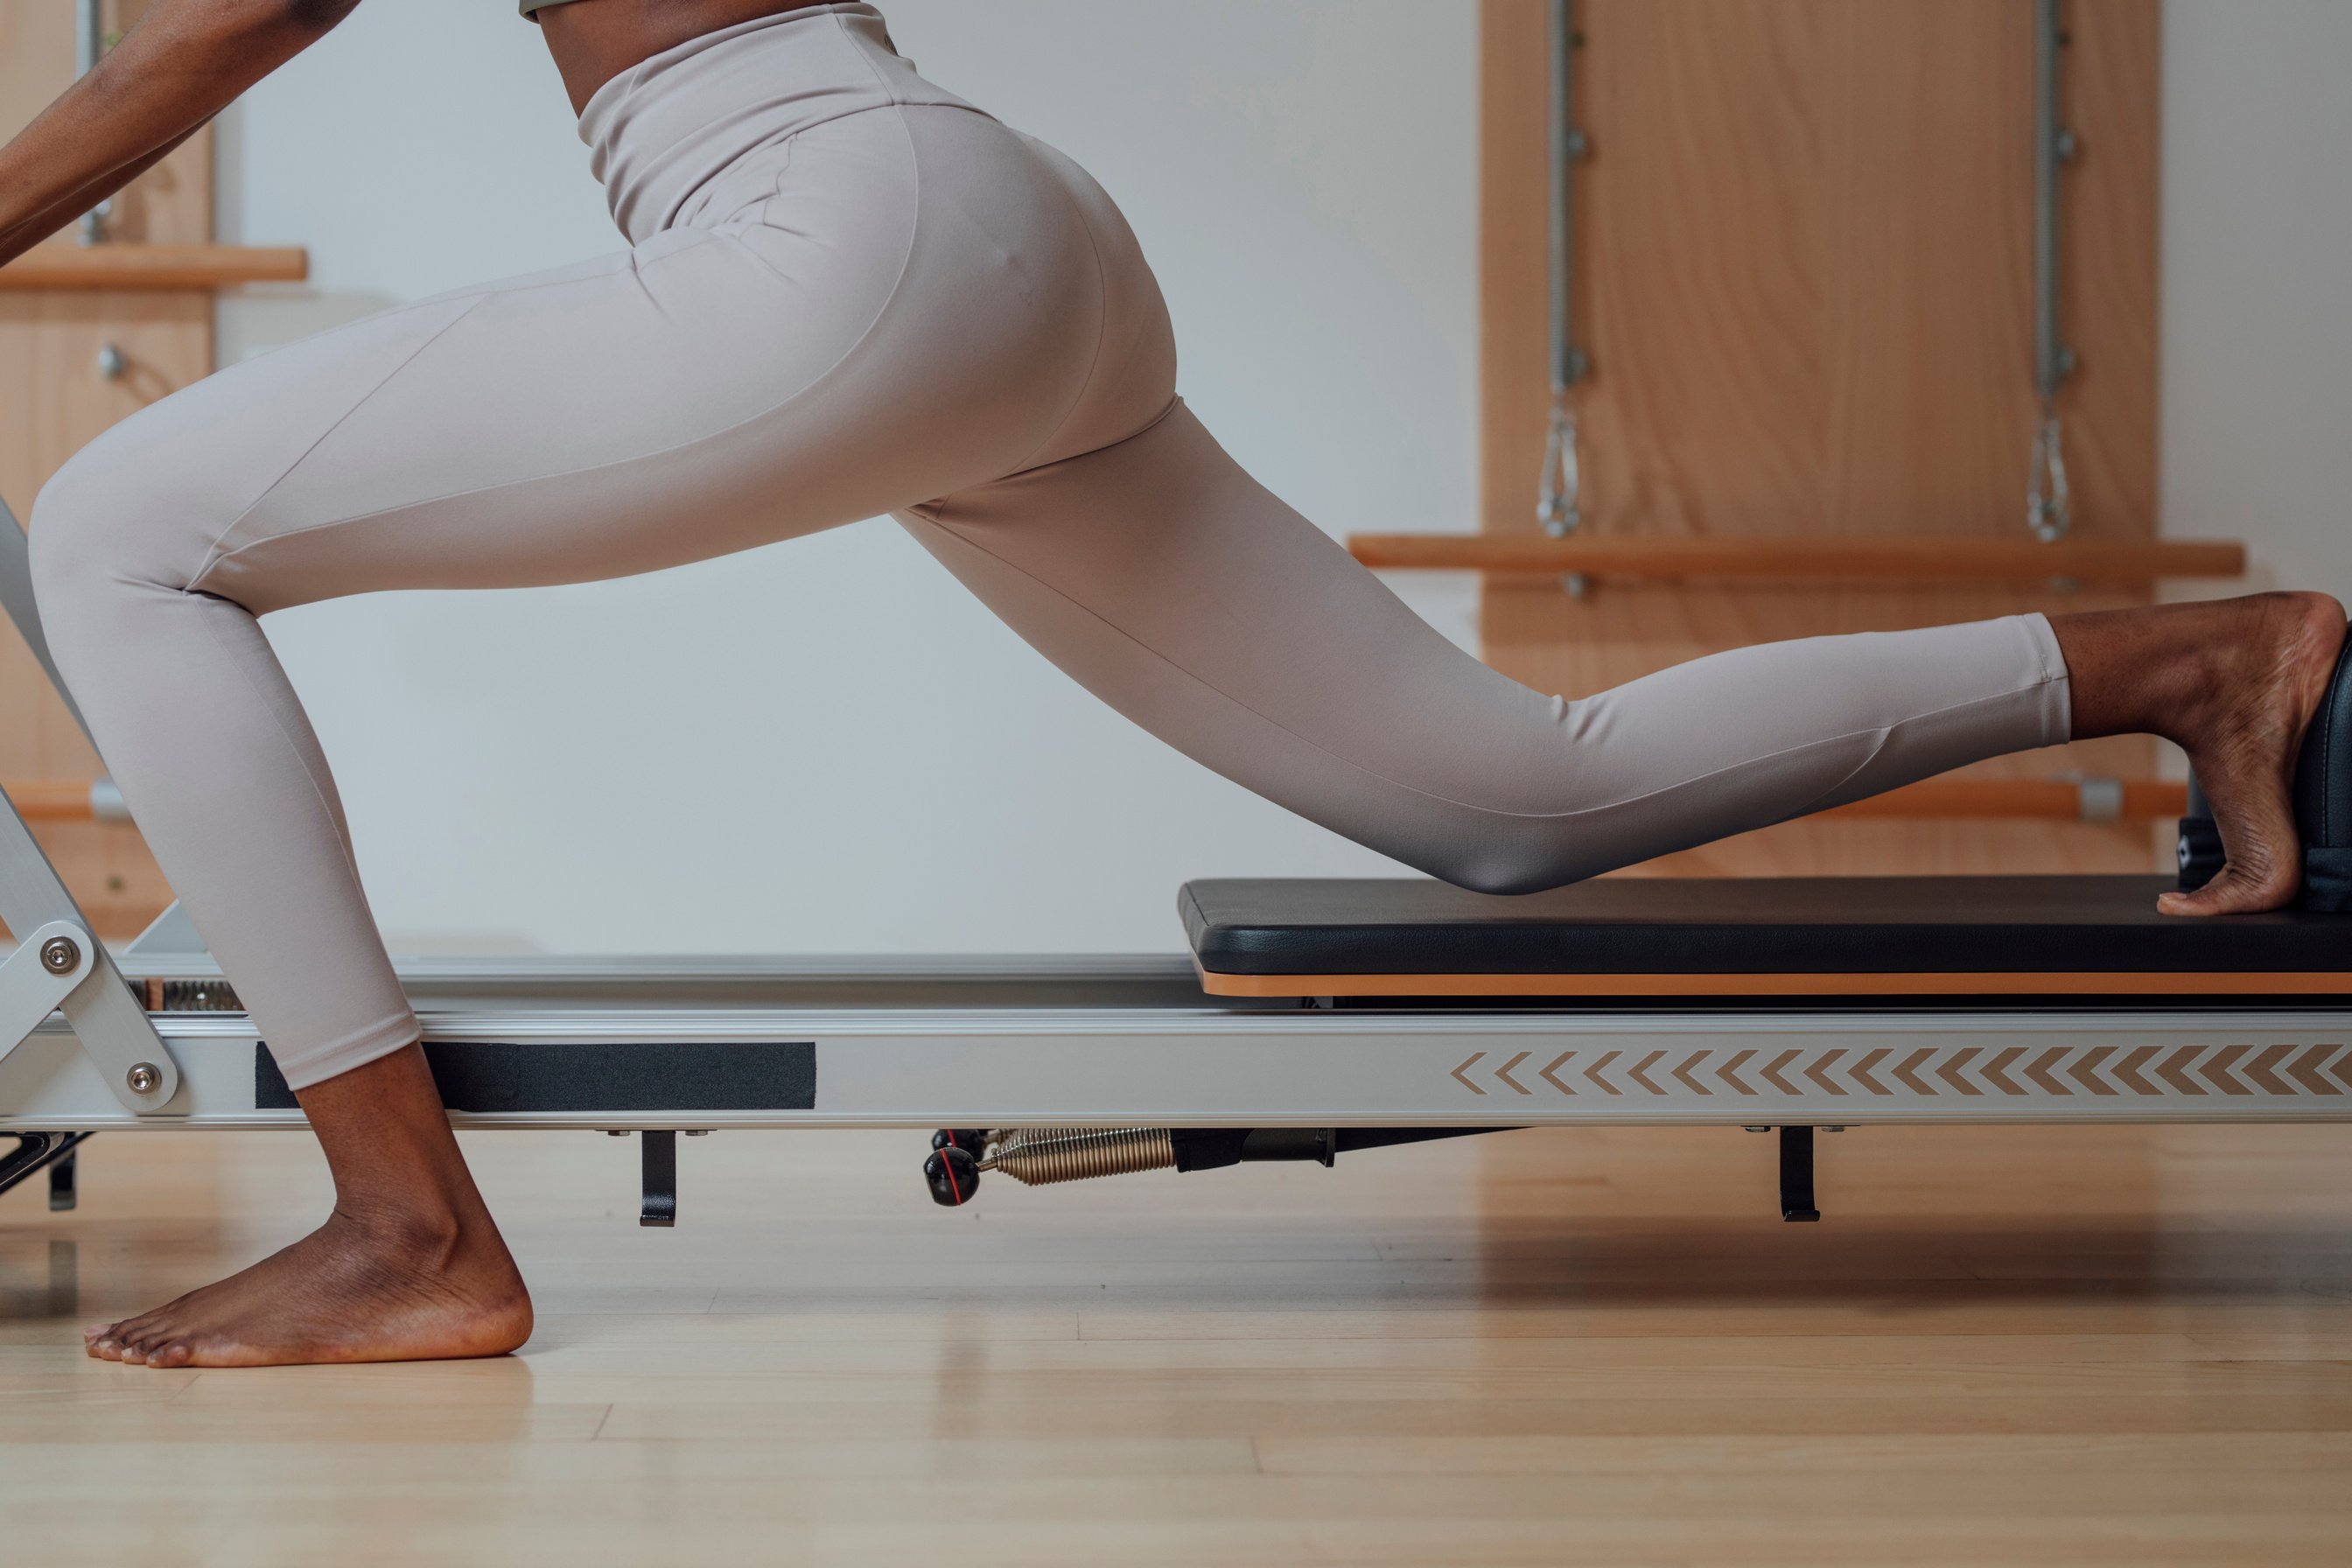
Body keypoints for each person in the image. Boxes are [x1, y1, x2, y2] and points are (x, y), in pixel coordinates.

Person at [0, 0, 2339, 1368]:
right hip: (993, 242)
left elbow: (212, 36)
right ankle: (2191, 659)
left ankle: (412, 1234)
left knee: (118, 528)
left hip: (834, 237)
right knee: (1504, 796)